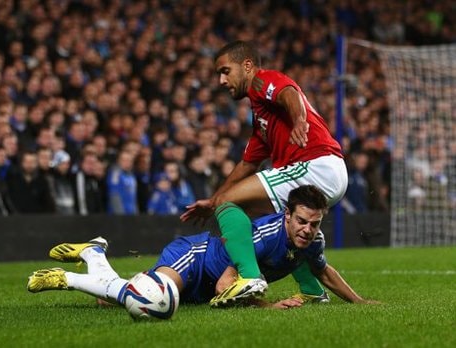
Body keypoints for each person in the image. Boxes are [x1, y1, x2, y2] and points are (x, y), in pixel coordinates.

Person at [180, 40, 348, 306]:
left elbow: (289, 92)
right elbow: (247, 164)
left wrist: (299, 120)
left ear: (247, 66)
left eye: (226, 71)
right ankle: (311, 289)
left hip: (315, 165)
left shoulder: (260, 81)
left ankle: (248, 278)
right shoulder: (261, 118)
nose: (222, 80)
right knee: (276, 224)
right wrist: (213, 201)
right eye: (218, 74)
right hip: (324, 171)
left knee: (229, 204)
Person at [27, 185, 376, 309]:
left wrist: (359, 301)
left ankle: (93, 253)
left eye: (314, 223)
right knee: (149, 300)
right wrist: (269, 307)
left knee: (112, 301)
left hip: (203, 289)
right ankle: (67, 278)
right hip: (193, 260)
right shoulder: (265, 235)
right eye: (301, 221)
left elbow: (323, 271)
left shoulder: (311, 240)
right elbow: (228, 285)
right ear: (287, 215)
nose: (307, 230)